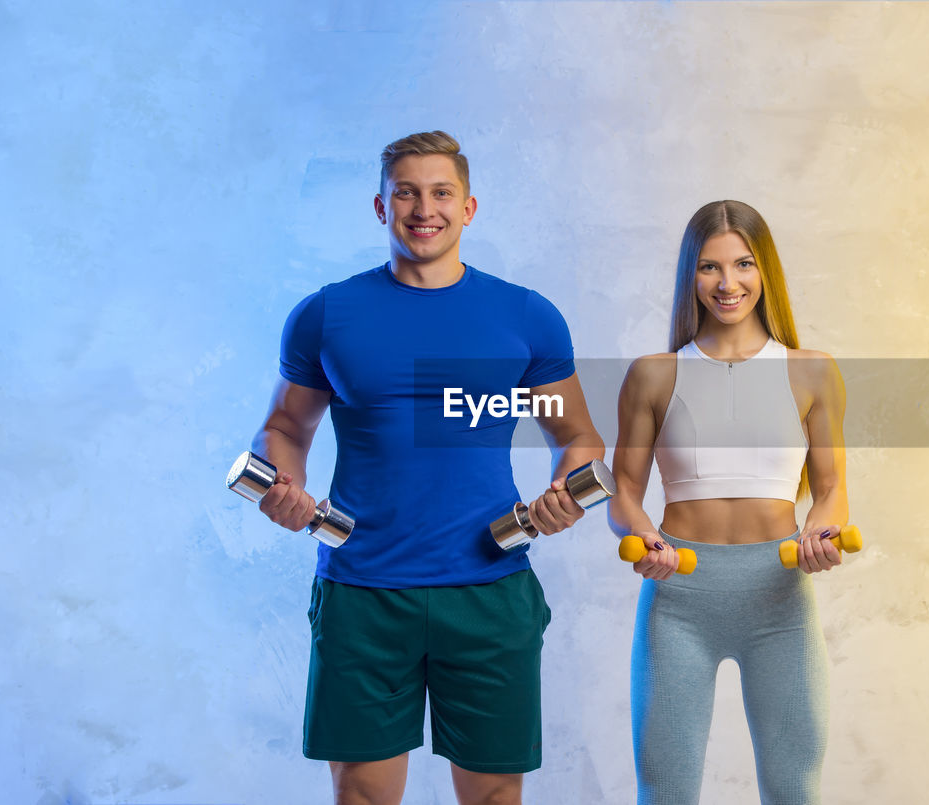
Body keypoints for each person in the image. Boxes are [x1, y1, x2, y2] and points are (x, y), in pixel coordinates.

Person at [250, 131, 604, 805]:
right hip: (362, 588)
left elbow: (578, 437)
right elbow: (285, 427)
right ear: (381, 207)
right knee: (361, 793)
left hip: (490, 586)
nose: (423, 208)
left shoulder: (526, 318)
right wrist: (284, 481)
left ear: (468, 207)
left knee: (496, 794)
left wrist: (566, 491)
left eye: (441, 192)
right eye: (405, 192)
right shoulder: (326, 316)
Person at [607, 200, 849, 805]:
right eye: (709, 267)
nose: (727, 283)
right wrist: (646, 539)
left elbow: (831, 490)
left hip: (780, 596)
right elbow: (625, 494)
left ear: (764, 271)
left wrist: (821, 532)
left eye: (742, 264)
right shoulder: (654, 374)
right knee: (665, 790)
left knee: (796, 789)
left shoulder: (813, 371)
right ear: (691, 276)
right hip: (679, 598)